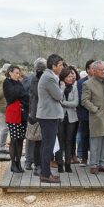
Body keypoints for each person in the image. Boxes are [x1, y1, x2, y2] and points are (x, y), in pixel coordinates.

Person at [36, 53, 65, 183]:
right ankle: (45, 174)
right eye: (60, 65)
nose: (62, 67)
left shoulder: (49, 76)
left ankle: (45, 172)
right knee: (48, 146)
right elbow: (58, 95)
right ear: (53, 66)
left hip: (48, 115)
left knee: (46, 145)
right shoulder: (49, 78)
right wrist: (62, 85)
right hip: (48, 116)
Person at [81, 60, 104, 174]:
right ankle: (94, 164)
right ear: (94, 71)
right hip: (96, 116)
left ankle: (103, 164)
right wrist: (95, 110)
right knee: (96, 141)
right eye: (101, 69)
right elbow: (84, 101)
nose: (103, 71)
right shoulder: (87, 84)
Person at [3, 65, 29, 173]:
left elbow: (26, 96)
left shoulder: (18, 83)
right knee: (14, 139)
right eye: (16, 73)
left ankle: (18, 162)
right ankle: (13, 164)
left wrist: (21, 93)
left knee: (20, 139)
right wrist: (21, 93)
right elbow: (12, 95)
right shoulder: (6, 82)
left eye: (19, 73)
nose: (18, 75)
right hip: (13, 113)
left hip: (22, 114)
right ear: (10, 73)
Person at [25, 57, 47, 173]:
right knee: (36, 139)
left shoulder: (29, 78)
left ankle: (30, 162)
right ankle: (33, 163)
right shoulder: (39, 79)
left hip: (33, 112)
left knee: (33, 138)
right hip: (37, 113)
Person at [56, 66, 79, 172]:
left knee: (69, 141)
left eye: (72, 76)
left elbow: (76, 103)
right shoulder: (59, 86)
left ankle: (68, 163)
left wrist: (64, 103)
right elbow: (58, 99)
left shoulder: (74, 87)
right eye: (69, 76)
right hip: (60, 117)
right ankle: (60, 164)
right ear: (63, 77)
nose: (71, 78)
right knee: (60, 140)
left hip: (72, 118)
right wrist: (62, 88)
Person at [76, 59, 96, 164]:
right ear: (87, 69)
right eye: (93, 68)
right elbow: (81, 99)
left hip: (97, 115)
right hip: (85, 114)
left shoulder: (99, 81)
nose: (95, 70)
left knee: (95, 137)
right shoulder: (81, 82)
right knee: (84, 136)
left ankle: (94, 159)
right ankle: (83, 158)